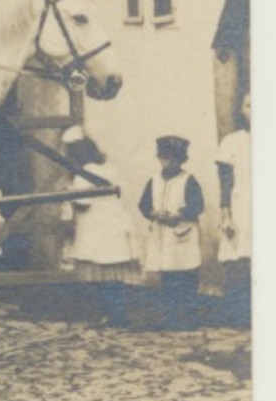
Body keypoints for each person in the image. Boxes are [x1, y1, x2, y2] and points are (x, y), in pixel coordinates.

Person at [58, 126, 141, 328]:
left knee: (101, 272)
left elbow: (83, 203)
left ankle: (111, 313)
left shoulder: (83, 173)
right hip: (114, 223)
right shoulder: (109, 168)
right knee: (114, 274)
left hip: (97, 227)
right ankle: (117, 312)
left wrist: (68, 196)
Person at [138, 134, 204, 331]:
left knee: (186, 275)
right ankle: (170, 317)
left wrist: (179, 214)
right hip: (162, 234)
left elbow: (198, 205)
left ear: (181, 160)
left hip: (183, 233)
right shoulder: (154, 180)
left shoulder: (188, 180)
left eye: (174, 159)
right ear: (159, 158)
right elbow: (143, 204)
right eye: (164, 158)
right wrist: (153, 212)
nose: (168, 163)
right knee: (167, 277)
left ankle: (189, 318)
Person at [213, 92, 251, 328]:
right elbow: (225, 181)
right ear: (241, 110)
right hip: (242, 206)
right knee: (239, 258)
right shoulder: (233, 142)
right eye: (248, 105)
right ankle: (240, 314)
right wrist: (226, 213)